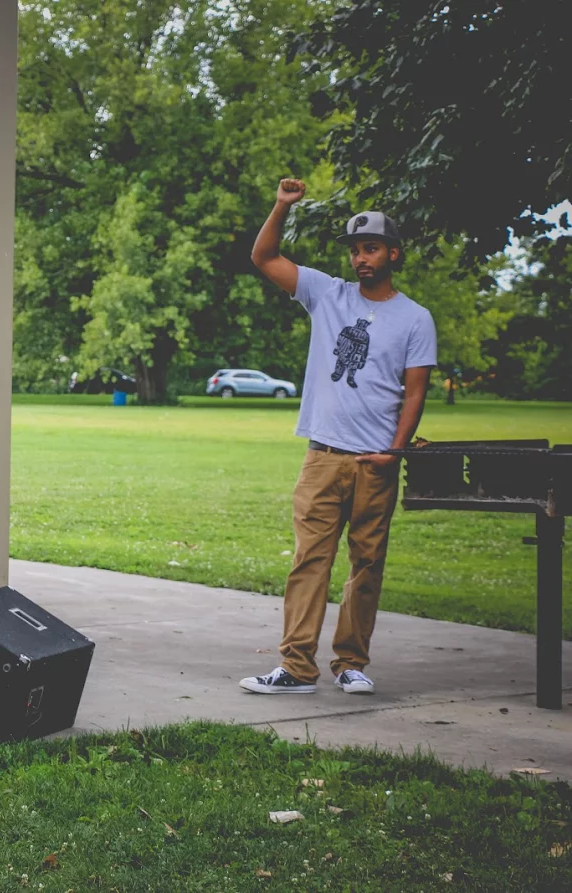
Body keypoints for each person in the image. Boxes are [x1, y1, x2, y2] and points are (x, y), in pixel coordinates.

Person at [241, 178, 436, 697]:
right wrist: (281, 205)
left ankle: (351, 663)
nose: (360, 259)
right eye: (355, 250)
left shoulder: (416, 319)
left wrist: (394, 453)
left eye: (370, 248)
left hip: (376, 461)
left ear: (393, 253)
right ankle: (296, 667)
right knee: (310, 562)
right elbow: (264, 257)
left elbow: (415, 393)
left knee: (366, 565)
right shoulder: (327, 293)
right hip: (323, 457)